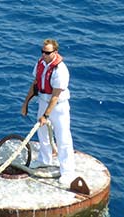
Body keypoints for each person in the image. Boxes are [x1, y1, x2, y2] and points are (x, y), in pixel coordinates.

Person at [21, 39, 76, 186]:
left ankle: (68, 172)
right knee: (42, 133)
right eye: (42, 52)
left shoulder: (60, 70)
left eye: (47, 53)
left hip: (58, 107)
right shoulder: (41, 63)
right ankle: (44, 160)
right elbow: (35, 84)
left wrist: (46, 115)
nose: (44, 55)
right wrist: (26, 103)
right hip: (43, 101)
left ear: (55, 52)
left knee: (63, 138)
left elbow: (56, 95)